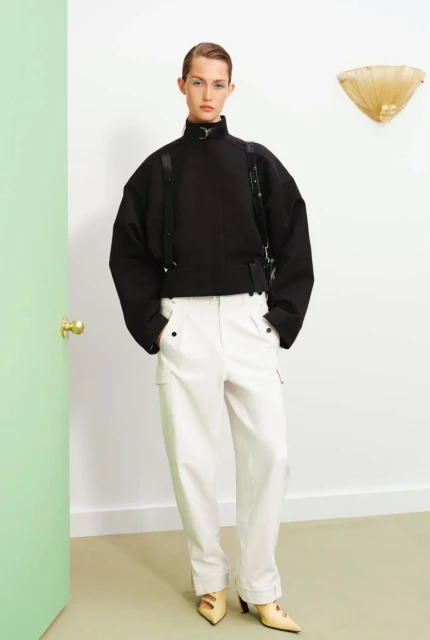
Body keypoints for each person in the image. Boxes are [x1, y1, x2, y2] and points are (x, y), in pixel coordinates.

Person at [109, 42, 314, 632]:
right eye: (197, 82)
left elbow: (294, 237)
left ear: (230, 89)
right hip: (185, 325)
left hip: (250, 322)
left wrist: (280, 321)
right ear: (182, 86)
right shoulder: (158, 169)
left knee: (270, 456)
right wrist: (156, 327)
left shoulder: (256, 162)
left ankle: (261, 586)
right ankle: (210, 580)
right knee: (193, 460)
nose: (207, 94)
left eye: (218, 83)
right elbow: (128, 253)